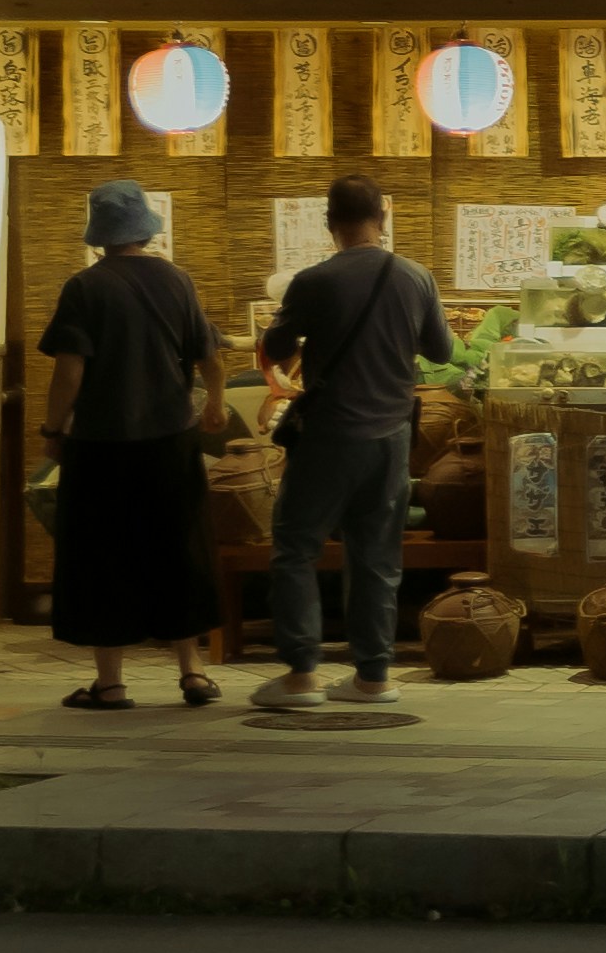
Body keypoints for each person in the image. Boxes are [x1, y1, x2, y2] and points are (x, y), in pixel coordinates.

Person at [251, 172, 450, 713]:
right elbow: (442, 350)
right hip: (392, 439)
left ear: (329, 223)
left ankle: (301, 676)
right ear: (382, 218)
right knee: (377, 557)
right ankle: (373, 678)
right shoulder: (417, 276)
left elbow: (277, 347)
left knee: (296, 547)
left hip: (329, 437)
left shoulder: (313, 281)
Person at [35, 182, 224, 708]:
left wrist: (52, 431)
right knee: (178, 548)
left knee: (103, 556)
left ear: (100, 235)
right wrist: (214, 403)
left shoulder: (85, 287)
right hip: (171, 439)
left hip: (102, 444)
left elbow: (69, 370)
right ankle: (192, 673)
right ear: (145, 228)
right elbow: (208, 355)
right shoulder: (177, 280)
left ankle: (111, 683)